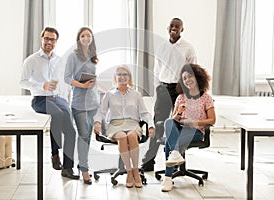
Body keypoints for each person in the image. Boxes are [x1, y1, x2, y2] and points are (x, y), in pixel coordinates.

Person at [20, 27, 79, 179]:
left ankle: (67, 168)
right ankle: (54, 154)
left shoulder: (60, 60)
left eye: (52, 39)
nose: (49, 42)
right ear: (42, 39)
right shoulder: (31, 60)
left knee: (71, 132)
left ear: (56, 42)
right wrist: (42, 85)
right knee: (57, 114)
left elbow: (64, 82)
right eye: (46, 38)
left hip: (58, 98)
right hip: (40, 99)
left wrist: (65, 98)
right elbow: (22, 82)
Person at [142, 17, 197, 171]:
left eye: (177, 26)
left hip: (181, 90)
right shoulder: (162, 47)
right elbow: (157, 70)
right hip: (163, 89)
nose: (174, 28)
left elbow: (193, 71)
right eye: (172, 26)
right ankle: (149, 161)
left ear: (182, 29)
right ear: (168, 28)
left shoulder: (188, 48)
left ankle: (179, 161)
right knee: (158, 124)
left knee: (180, 123)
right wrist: (158, 88)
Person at [93, 65, 155, 188]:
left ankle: (136, 171)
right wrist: (97, 122)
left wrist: (151, 126)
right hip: (115, 125)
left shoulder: (136, 94)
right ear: (115, 77)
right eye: (119, 74)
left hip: (132, 123)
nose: (122, 77)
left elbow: (144, 113)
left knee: (131, 136)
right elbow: (101, 112)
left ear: (129, 77)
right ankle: (129, 171)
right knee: (122, 137)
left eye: (125, 74)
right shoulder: (109, 94)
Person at [161, 63, 216, 192]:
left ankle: (168, 178)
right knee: (169, 122)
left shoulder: (206, 98)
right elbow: (174, 119)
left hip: (195, 130)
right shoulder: (180, 98)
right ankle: (175, 154)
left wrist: (196, 123)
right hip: (180, 127)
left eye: (189, 76)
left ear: (197, 77)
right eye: (184, 78)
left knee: (170, 142)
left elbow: (212, 120)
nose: (187, 80)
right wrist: (179, 112)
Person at [64, 27, 99, 185]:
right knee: (83, 136)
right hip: (79, 102)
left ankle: (83, 164)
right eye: (83, 36)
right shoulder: (73, 56)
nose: (86, 38)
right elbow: (66, 78)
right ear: (79, 38)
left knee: (88, 137)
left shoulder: (92, 55)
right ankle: (84, 169)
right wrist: (82, 85)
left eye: (88, 36)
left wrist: (93, 83)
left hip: (93, 102)